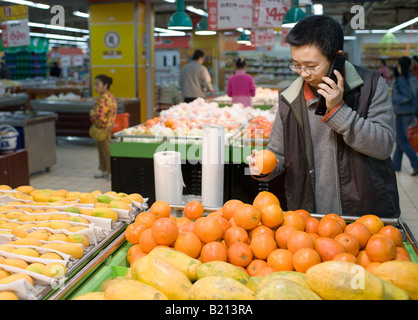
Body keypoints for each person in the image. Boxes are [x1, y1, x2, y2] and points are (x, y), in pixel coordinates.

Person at [247, 15, 400, 218]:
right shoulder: (290, 98)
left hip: (364, 214)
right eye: (297, 65)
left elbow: (383, 145)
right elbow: (278, 152)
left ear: (337, 57)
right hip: (310, 216)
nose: (304, 73)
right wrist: (265, 166)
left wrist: (339, 110)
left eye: (311, 66)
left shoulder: (371, 86)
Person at [391, 56, 418, 176]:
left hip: (403, 112)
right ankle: (395, 165)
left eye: (398, 65)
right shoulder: (413, 78)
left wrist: (393, 100)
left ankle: (416, 164)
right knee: (400, 139)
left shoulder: (402, 79)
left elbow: (407, 96)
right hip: (411, 112)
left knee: (402, 140)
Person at [89, 74, 117, 180]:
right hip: (105, 127)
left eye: (98, 84)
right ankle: (103, 170)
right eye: (94, 84)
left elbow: (99, 115)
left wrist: (92, 113)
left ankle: (109, 172)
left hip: (104, 127)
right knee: (102, 149)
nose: (95, 87)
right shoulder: (108, 96)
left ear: (105, 85)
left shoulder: (104, 98)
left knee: (106, 150)